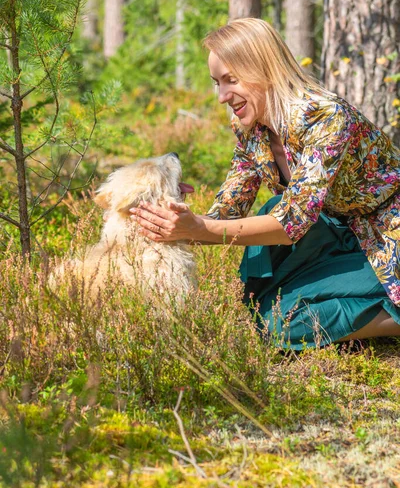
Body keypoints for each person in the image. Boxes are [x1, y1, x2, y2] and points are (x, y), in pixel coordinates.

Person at [130, 18, 400, 349]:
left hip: (386, 237)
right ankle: (340, 311)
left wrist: (197, 229)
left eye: (231, 80)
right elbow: (230, 209)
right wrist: (176, 217)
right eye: (217, 83)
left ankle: (389, 319)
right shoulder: (250, 124)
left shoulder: (325, 118)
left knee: (278, 324)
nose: (222, 97)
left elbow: (291, 224)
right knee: (261, 306)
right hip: (338, 232)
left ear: (264, 69)